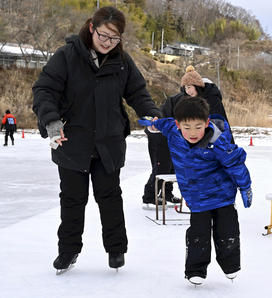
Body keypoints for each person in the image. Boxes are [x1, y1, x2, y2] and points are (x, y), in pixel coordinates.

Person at [32, 6, 162, 272]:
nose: (108, 43)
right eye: (104, 35)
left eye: (115, 38)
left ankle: (116, 250)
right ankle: (68, 251)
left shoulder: (122, 61)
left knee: (110, 196)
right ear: (92, 27)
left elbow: (138, 92)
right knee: (72, 198)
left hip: (109, 142)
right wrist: (51, 121)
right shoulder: (67, 56)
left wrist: (152, 116)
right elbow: (45, 89)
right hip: (72, 141)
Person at [141, 97, 252, 285]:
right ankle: (196, 270)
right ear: (178, 125)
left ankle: (230, 265)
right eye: (187, 127)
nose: (193, 133)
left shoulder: (218, 143)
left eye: (198, 127)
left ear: (207, 123)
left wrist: (245, 187)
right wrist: (152, 124)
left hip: (222, 196)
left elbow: (236, 165)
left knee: (227, 231)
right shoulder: (174, 132)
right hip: (197, 198)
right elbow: (163, 123)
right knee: (198, 235)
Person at [141, 65, 233, 210]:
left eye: (190, 87)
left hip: (178, 136)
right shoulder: (185, 99)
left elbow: (219, 124)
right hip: (159, 133)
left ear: (199, 85)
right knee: (162, 166)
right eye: (186, 88)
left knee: (173, 165)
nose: (188, 91)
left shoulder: (210, 100)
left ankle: (167, 194)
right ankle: (149, 197)